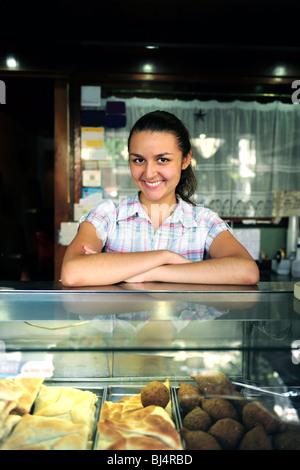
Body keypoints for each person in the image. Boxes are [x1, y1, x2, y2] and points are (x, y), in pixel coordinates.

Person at [61, 110, 259, 287]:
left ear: (185, 159)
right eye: (138, 160)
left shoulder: (203, 222)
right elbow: (72, 273)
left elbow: (246, 271)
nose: (149, 173)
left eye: (162, 160)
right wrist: (165, 256)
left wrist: (153, 272)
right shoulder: (107, 214)